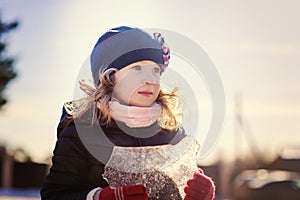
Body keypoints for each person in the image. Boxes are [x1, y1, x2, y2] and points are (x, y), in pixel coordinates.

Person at [40, 26, 215, 200]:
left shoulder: (171, 131)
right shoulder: (81, 130)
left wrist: (200, 196)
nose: (151, 80)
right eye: (137, 68)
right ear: (109, 77)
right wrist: (98, 197)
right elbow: (54, 195)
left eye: (155, 70)